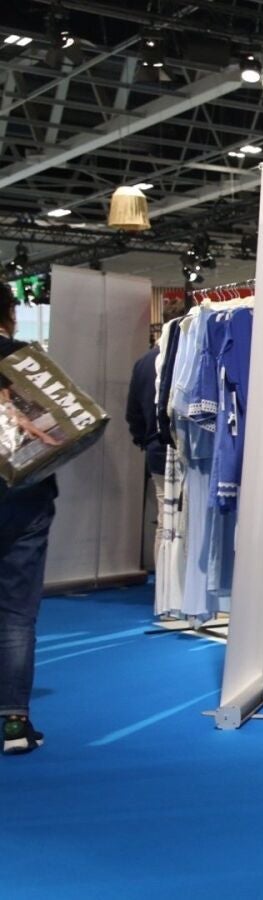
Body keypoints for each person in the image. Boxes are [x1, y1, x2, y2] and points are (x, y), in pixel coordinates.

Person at [0, 283, 56, 755]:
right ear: (9, 314)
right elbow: (67, 424)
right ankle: (14, 724)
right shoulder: (27, 360)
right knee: (17, 613)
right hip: (25, 495)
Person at [126, 340, 165, 569]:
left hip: (156, 449)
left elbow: (133, 414)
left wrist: (144, 441)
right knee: (183, 522)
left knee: (165, 522)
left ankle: (163, 582)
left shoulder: (143, 363)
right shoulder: (184, 355)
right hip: (180, 450)